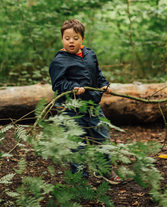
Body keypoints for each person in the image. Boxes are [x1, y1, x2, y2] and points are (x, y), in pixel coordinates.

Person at [49, 19, 122, 184]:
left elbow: (97, 74)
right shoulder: (59, 61)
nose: (71, 41)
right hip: (70, 109)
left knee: (102, 137)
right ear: (62, 39)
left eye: (75, 38)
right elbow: (58, 84)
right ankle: (80, 177)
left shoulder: (90, 54)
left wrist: (104, 84)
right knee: (77, 143)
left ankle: (103, 169)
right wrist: (73, 87)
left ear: (82, 39)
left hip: (92, 106)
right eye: (67, 38)